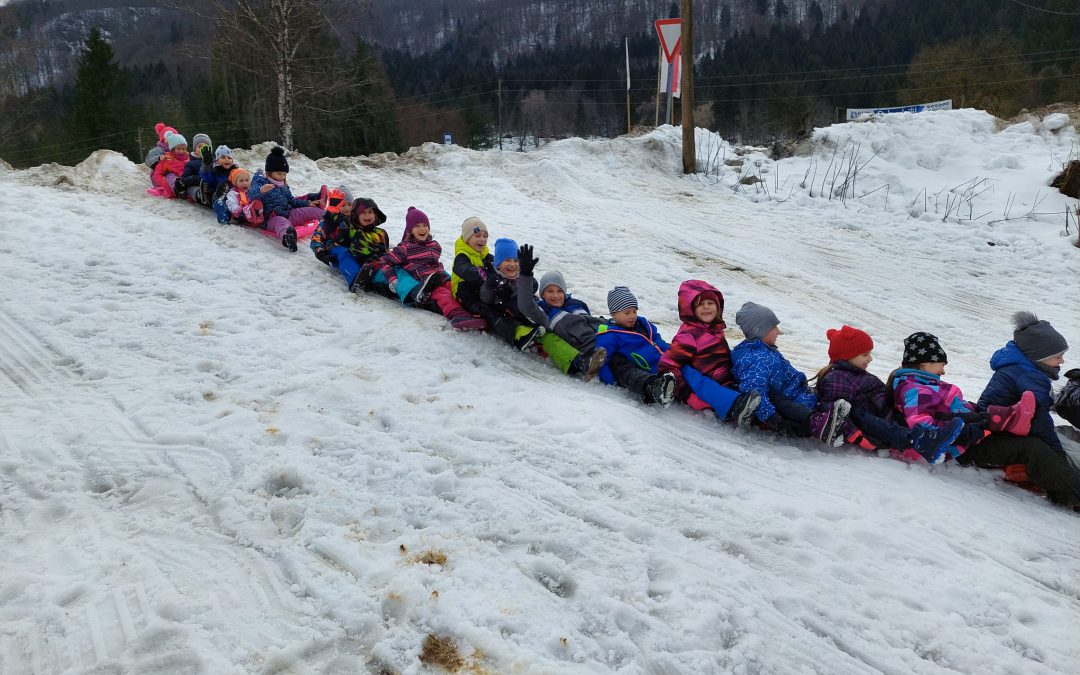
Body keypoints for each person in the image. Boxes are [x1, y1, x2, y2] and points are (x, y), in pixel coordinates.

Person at [889, 331, 1080, 508]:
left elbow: (946, 412)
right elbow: (926, 429)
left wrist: (977, 416)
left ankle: (1010, 418)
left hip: (972, 436)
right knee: (1032, 448)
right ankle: (1073, 496)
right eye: (941, 364)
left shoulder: (923, 384)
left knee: (1027, 438)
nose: (943, 371)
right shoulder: (916, 389)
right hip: (964, 447)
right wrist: (976, 425)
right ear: (924, 363)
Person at [815, 325, 963, 463]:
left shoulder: (852, 374)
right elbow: (837, 414)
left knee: (930, 412)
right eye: (865, 354)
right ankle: (924, 441)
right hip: (879, 429)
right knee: (856, 412)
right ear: (847, 356)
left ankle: (953, 428)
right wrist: (857, 437)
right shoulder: (837, 379)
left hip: (887, 417)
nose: (870, 358)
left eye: (870, 353)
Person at [730, 302, 850, 445]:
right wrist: (774, 420)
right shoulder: (755, 358)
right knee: (802, 410)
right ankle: (820, 424)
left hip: (797, 393)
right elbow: (755, 393)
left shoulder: (765, 350)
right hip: (789, 403)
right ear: (759, 330)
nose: (778, 331)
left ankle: (833, 418)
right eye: (773, 327)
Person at [481, 242, 606, 378]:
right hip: (521, 323)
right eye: (507, 260)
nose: (512, 264)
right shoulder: (495, 281)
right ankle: (580, 362)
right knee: (550, 339)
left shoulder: (573, 303)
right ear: (498, 264)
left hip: (536, 317)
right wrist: (492, 284)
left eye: (516, 260)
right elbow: (520, 303)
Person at [657, 280, 760, 425]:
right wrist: (685, 392)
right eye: (700, 304)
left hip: (728, 375)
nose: (706, 307)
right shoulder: (688, 336)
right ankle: (737, 408)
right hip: (711, 383)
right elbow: (667, 364)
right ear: (690, 309)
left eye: (710, 303)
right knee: (728, 394)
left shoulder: (714, 328)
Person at [375, 207, 484, 331]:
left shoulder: (434, 245)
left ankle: (475, 311)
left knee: (455, 289)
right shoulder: (405, 248)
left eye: (425, 225)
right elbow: (385, 260)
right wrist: (392, 278)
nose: (422, 229)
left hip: (439, 276)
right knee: (443, 294)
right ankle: (458, 315)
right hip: (424, 281)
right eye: (417, 226)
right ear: (410, 230)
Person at [978, 312, 1070, 451]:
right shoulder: (1030, 376)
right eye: (1058, 357)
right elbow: (1039, 420)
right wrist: (1057, 451)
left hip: (991, 424)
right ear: (1039, 356)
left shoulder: (1020, 367)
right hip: (995, 434)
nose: (1062, 361)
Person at [595, 286, 676, 406]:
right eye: (627, 312)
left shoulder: (643, 325)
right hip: (643, 368)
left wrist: (671, 352)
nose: (632, 316)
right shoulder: (610, 335)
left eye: (634, 311)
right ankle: (653, 387)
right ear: (613, 314)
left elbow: (657, 340)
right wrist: (611, 380)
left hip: (662, 359)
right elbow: (603, 361)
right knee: (625, 368)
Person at [247, 146, 324, 251]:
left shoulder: (283, 185)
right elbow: (251, 195)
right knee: (282, 223)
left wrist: (308, 204)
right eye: (279, 173)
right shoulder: (261, 183)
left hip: (288, 213)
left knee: (313, 211)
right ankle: (288, 237)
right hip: (272, 219)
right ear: (269, 172)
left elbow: (292, 201)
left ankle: (329, 217)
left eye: (284, 174)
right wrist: (262, 190)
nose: (282, 177)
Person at [150, 131, 190, 198]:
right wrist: (165, 183)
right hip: (172, 185)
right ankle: (177, 189)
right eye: (178, 149)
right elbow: (157, 175)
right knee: (170, 176)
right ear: (172, 149)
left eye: (183, 149)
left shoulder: (188, 158)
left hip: (186, 181)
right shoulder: (167, 160)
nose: (181, 151)